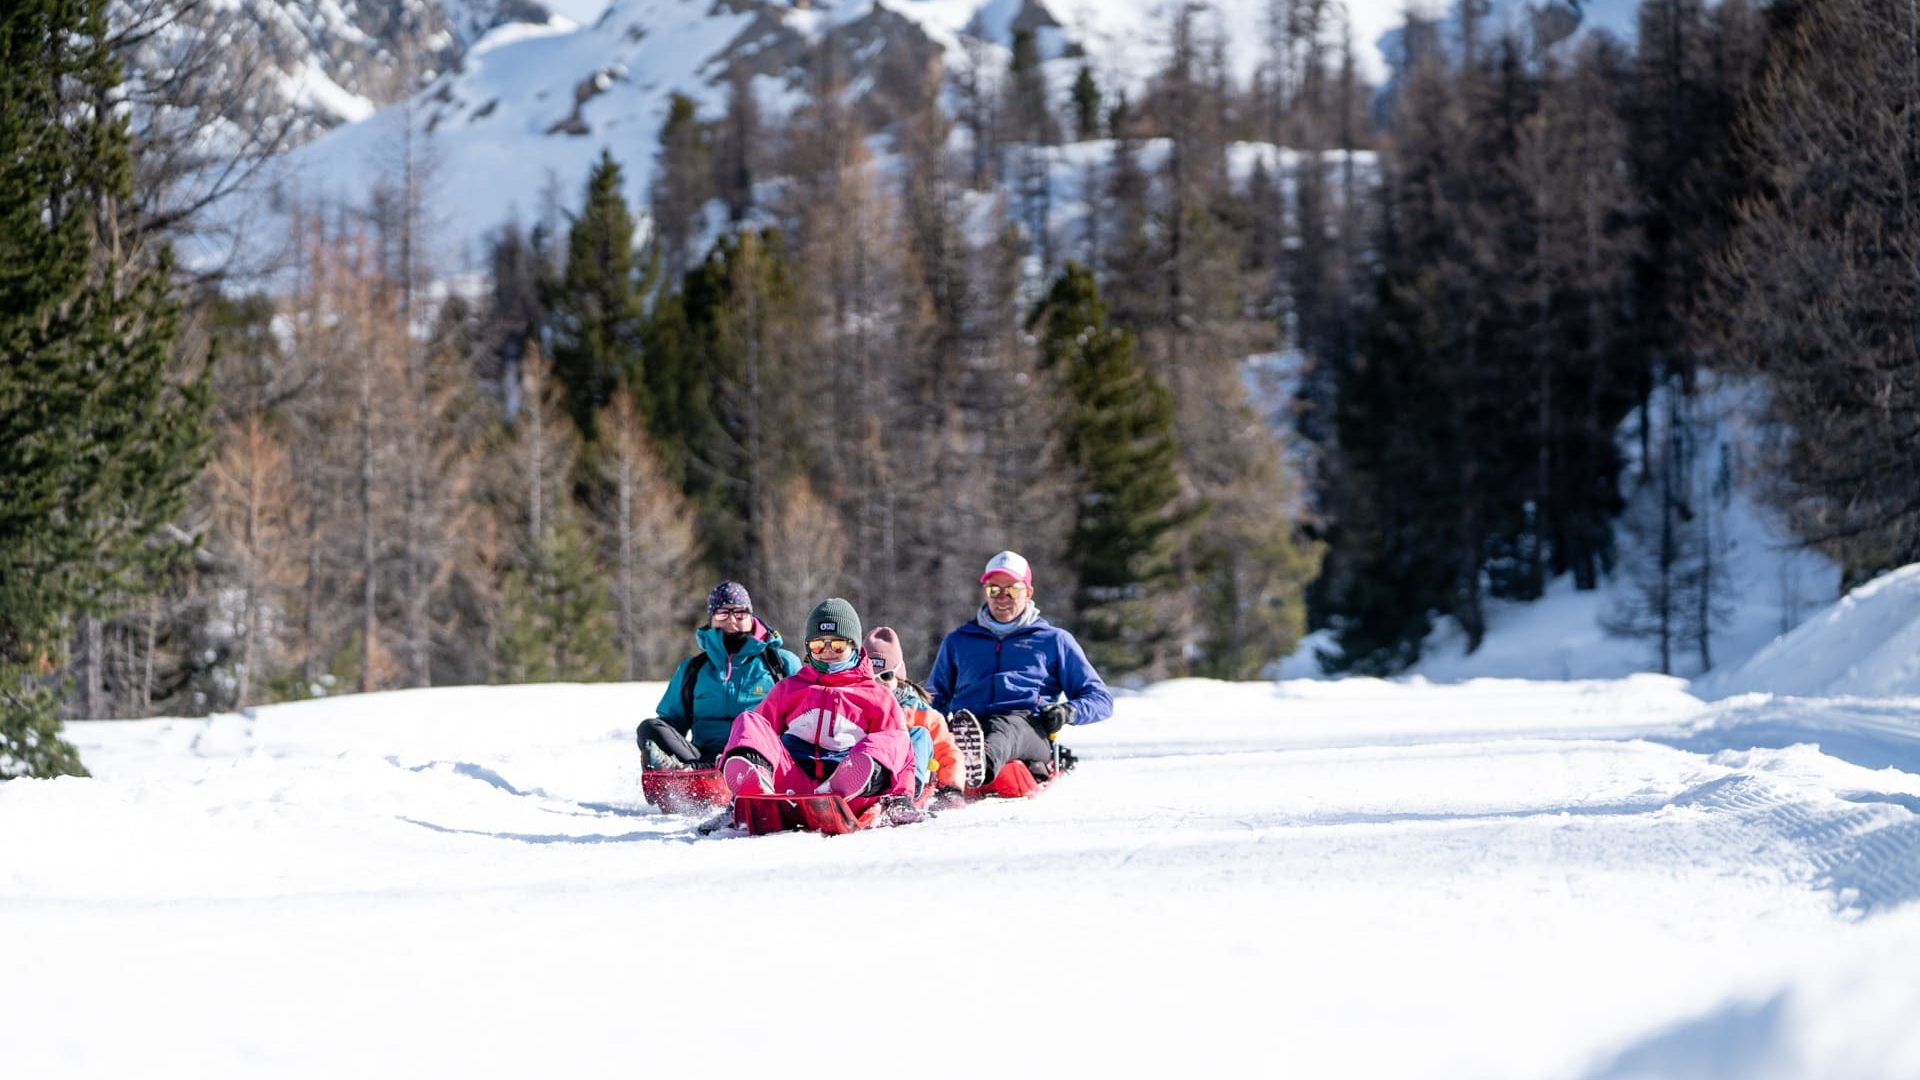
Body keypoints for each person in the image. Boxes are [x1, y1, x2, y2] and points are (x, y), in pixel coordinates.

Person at [926, 550, 1112, 787]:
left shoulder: (1053, 640)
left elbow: (1101, 699)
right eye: (994, 590)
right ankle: (949, 762)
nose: (1002, 598)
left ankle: (978, 763)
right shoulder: (959, 641)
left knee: (1007, 727)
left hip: (1028, 729)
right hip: (970, 724)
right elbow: (934, 698)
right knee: (959, 729)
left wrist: (1068, 712)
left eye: (1012, 590)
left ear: (1029, 592)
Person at [719, 597, 915, 812]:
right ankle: (755, 787)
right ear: (808, 647)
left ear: (855, 646)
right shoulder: (790, 688)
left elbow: (901, 753)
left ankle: (848, 779)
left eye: (838, 645)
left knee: (894, 737)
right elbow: (759, 735)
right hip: (792, 784)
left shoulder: (876, 696)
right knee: (748, 720)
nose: (828, 651)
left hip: (848, 795)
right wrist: (746, 754)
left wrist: (901, 797)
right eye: (818, 645)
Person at [636, 581, 801, 771]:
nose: (731, 620)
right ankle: (693, 773)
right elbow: (671, 723)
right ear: (711, 618)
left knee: (748, 731)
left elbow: (804, 718)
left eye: (740, 612)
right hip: (701, 755)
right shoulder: (693, 669)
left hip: (758, 756)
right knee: (649, 729)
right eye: (723, 613)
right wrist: (657, 746)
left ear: (751, 616)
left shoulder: (781, 665)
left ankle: (699, 773)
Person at [864, 626, 965, 808]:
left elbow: (947, 751)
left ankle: (906, 793)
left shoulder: (921, 714)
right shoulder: (856, 708)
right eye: (871, 677)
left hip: (914, 784)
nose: (878, 683)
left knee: (919, 735)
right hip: (872, 781)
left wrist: (952, 788)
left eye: (885, 676)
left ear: (899, 678)